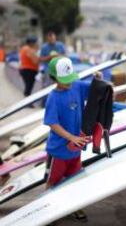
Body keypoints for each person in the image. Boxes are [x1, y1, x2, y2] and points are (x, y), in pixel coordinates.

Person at [44, 56, 90, 222]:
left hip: (75, 148)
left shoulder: (76, 85)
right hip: (59, 151)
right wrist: (70, 136)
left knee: (74, 178)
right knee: (53, 182)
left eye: (71, 79)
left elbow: (93, 88)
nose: (69, 83)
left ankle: (73, 206)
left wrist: (100, 81)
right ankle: (47, 211)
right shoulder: (53, 97)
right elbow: (52, 123)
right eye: (65, 80)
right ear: (54, 78)